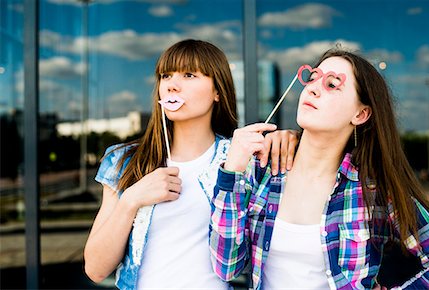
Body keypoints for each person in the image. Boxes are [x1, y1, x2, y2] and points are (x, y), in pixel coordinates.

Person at [209, 48, 429, 289]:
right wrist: (232, 171)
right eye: (312, 78)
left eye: (332, 84)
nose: (313, 88)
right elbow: (227, 267)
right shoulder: (261, 170)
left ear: (361, 114)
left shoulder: (372, 192)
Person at [83, 39, 298, 289]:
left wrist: (294, 138)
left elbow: (241, 261)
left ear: (218, 91)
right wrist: (131, 199)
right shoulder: (125, 160)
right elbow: (96, 269)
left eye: (189, 75)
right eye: (166, 76)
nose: (172, 85)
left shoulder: (243, 159)